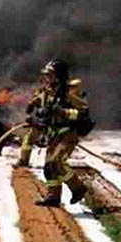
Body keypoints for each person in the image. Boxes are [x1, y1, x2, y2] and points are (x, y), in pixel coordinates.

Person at [27, 59, 92, 206]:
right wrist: (34, 113)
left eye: (50, 74)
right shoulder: (49, 90)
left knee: (57, 162)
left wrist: (63, 112)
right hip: (53, 134)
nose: (47, 78)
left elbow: (82, 113)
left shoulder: (70, 92)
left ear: (59, 75)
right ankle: (53, 197)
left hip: (67, 133)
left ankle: (78, 188)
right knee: (49, 167)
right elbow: (44, 108)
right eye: (47, 75)